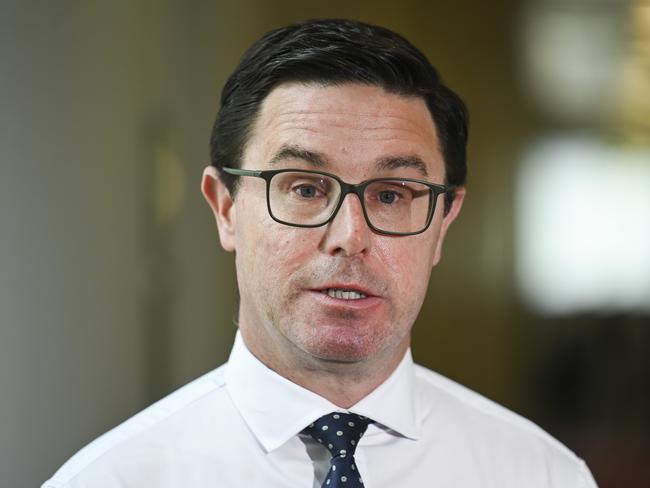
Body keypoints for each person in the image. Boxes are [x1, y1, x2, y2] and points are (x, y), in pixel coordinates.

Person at [43, 19, 597, 488]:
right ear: (225, 208)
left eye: (391, 195)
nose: (349, 236)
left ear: (444, 222)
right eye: (305, 188)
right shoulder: (111, 478)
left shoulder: (542, 474)